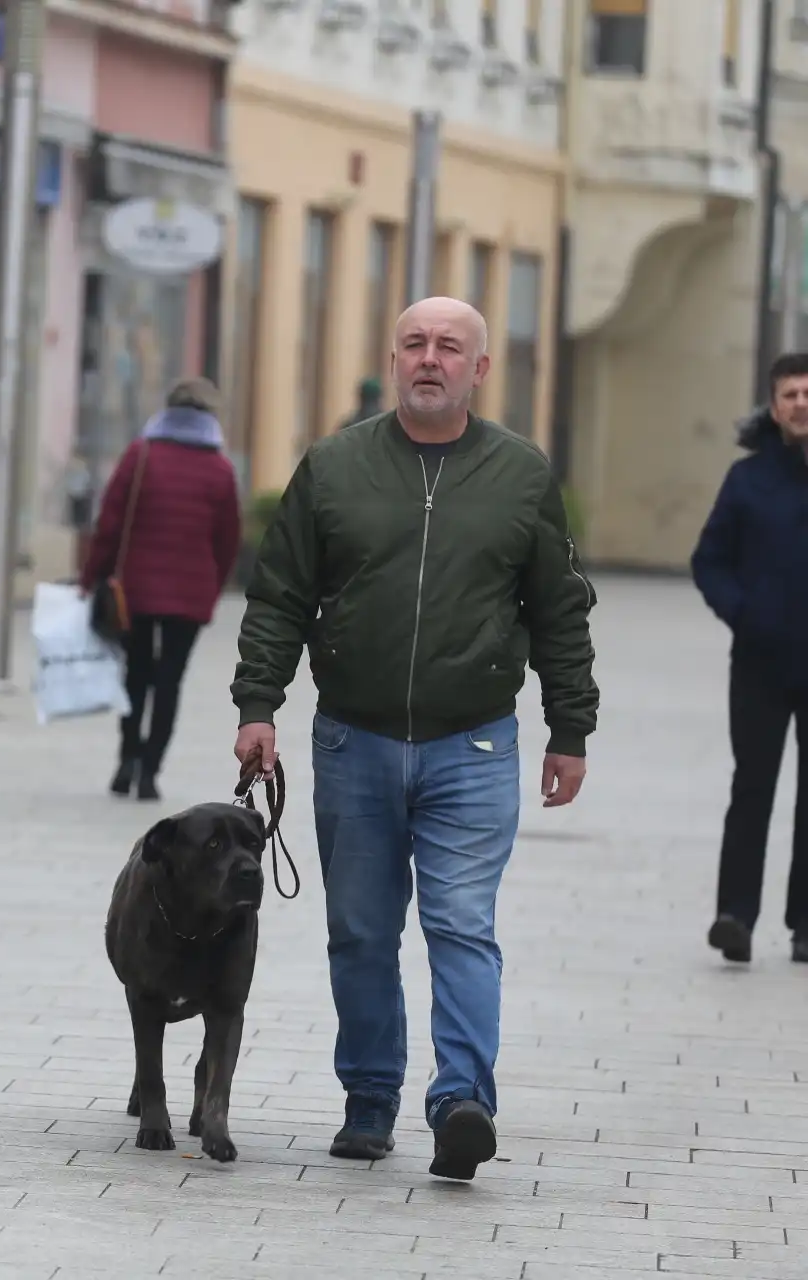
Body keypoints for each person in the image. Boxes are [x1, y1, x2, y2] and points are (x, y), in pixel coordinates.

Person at [231, 296, 599, 1182]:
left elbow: (558, 609)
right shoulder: (335, 467)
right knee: (358, 930)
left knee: (462, 925)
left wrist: (570, 726)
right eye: (414, 344)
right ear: (394, 359)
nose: (429, 359)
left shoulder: (519, 474)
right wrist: (258, 704)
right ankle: (369, 1099)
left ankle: (462, 1099)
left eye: (449, 347)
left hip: (470, 745)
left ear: (480, 369)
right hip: (352, 742)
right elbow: (281, 595)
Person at [690, 352, 808, 966]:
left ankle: (805, 925)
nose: (800, 404)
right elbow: (708, 560)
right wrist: (745, 612)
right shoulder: (748, 479)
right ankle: (734, 915)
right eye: (790, 394)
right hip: (761, 661)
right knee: (753, 787)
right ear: (774, 405)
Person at [78, 376, 241, 802]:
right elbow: (228, 540)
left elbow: (110, 522)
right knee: (170, 681)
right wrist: (212, 589)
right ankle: (151, 772)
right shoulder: (220, 468)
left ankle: (127, 759)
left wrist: (90, 575)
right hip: (189, 597)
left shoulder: (142, 454)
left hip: (135, 591)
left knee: (136, 674)